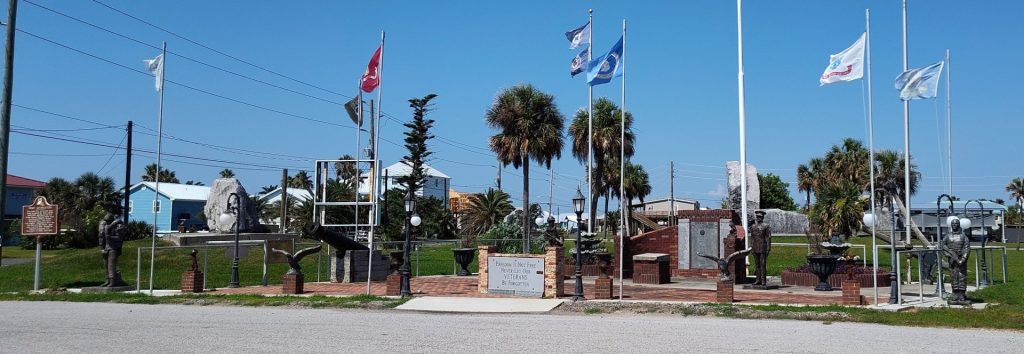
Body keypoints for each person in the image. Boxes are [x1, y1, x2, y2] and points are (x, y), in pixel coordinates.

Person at [944, 217, 971, 305]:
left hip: (961, 260)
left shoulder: (963, 237)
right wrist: (948, 254)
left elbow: (966, 248)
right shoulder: (947, 236)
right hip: (952, 260)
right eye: (953, 224)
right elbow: (942, 246)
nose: (954, 225)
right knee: (953, 277)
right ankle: (955, 294)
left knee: (962, 277)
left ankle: (962, 295)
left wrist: (963, 259)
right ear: (951, 225)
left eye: (956, 224)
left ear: (959, 225)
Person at [750, 210, 772, 286]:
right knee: (757, 265)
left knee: (763, 264)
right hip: (755, 247)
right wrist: (752, 247)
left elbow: (768, 237)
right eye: (757, 217)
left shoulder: (766, 226)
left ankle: (763, 280)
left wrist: (769, 247)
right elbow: (752, 238)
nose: (758, 218)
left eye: (760, 217)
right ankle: (757, 280)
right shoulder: (753, 226)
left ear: (762, 217)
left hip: (763, 247)